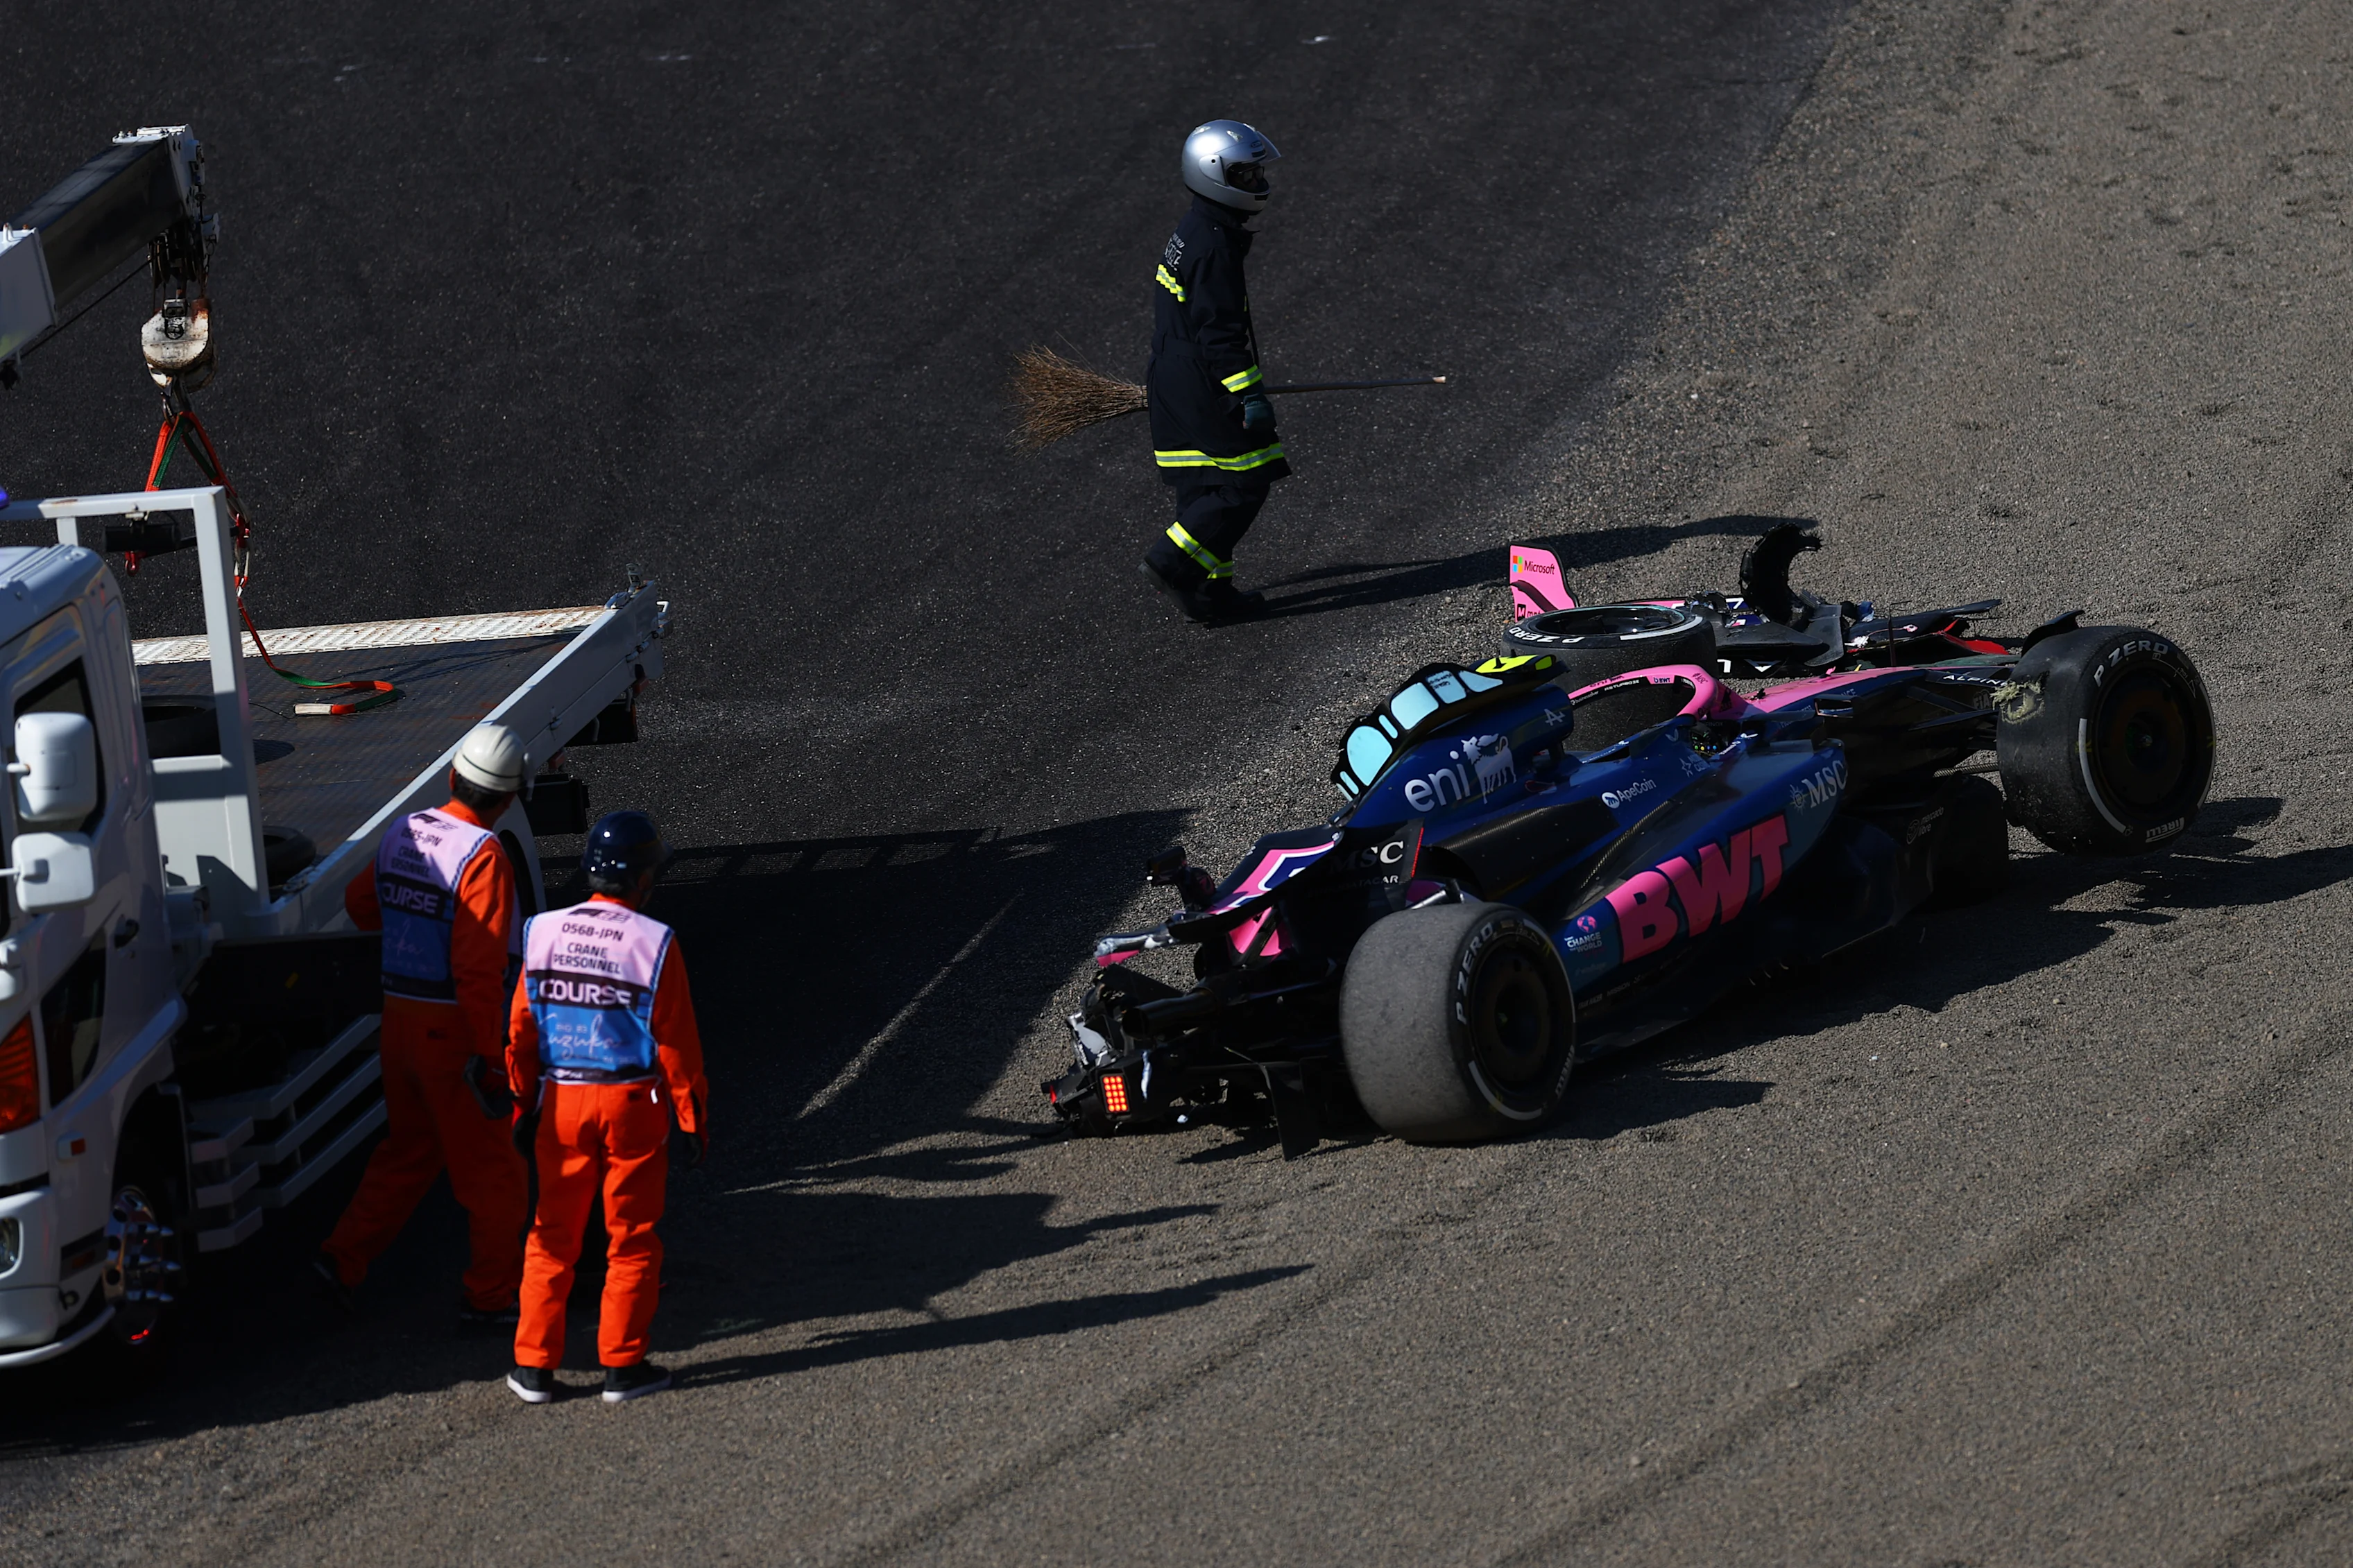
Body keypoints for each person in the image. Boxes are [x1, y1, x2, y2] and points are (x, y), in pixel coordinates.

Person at [316, 723, 530, 1325]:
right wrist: (491, 1056)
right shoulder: (482, 856)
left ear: (453, 776)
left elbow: (362, 903)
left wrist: (407, 950)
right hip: (453, 1035)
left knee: (408, 1152)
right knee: (496, 1173)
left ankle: (342, 1257)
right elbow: (479, 966)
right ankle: (490, 1298)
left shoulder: (406, 830)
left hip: (399, 1026)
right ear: (510, 798)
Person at [505, 809, 708, 1405]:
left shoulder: (541, 931)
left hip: (561, 1099)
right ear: (644, 877)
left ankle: (532, 1367)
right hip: (631, 1104)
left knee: (550, 1234)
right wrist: (692, 1118)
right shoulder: (656, 943)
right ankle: (623, 1366)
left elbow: (519, 1030)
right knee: (633, 1236)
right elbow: (677, 1044)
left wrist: (522, 1105)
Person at [1138, 119, 1292, 625]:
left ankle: (1211, 591)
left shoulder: (1198, 228)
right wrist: (1249, 396)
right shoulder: (1213, 245)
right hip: (1202, 380)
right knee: (1245, 482)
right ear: (1214, 173)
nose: (1257, 183)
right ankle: (1170, 560)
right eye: (1246, 175)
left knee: (1205, 487)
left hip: (1176, 375)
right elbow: (1220, 333)